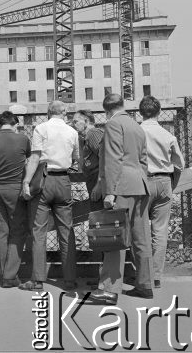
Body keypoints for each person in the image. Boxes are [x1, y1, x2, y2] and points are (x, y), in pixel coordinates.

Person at [87, 93, 153, 305]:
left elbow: (113, 159)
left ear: (106, 110)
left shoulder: (113, 125)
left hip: (121, 186)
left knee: (115, 236)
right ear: (122, 105)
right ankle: (145, 284)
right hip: (140, 185)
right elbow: (143, 161)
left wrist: (111, 191)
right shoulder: (136, 126)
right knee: (140, 236)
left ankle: (108, 289)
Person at [19, 100, 79, 292]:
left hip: (43, 180)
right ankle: (69, 279)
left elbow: (35, 157)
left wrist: (26, 181)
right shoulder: (73, 132)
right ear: (65, 113)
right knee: (66, 230)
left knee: (39, 232)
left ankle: (37, 279)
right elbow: (76, 158)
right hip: (64, 181)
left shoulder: (41, 128)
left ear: (48, 113)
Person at [0, 111, 31, 288]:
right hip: (15, 189)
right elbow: (30, 160)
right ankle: (10, 275)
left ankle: (3, 273)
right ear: (15, 123)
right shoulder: (22, 139)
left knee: (0, 231)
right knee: (18, 230)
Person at [139, 95, 184, 288]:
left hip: (141, 182)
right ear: (158, 112)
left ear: (140, 112)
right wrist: (171, 184)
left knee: (140, 231)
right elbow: (179, 164)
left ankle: (143, 274)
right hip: (164, 180)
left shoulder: (136, 132)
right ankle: (156, 275)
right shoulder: (169, 136)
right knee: (160, 230)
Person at [71, 110, 104, 211]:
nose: (73, 125)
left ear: (86, 121)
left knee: (100, 219)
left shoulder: (93, 133)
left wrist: (99, 184)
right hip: (93, 179)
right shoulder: (85, 137)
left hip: (98, 180)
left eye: (75, 121)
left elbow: (105, 157)